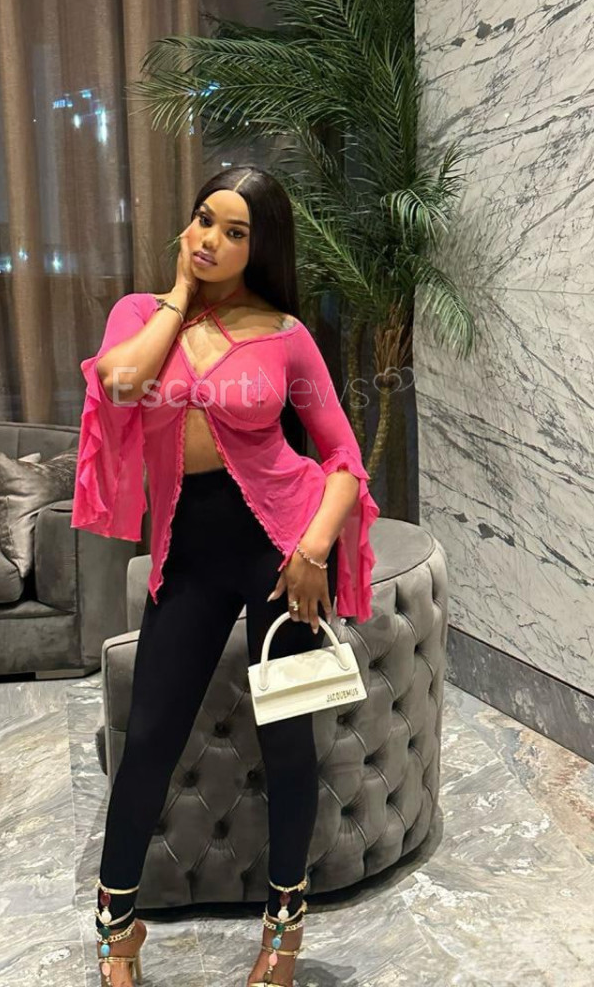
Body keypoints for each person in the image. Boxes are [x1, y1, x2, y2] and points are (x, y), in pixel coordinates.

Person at [71, 165, 379, 987]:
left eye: (234, 231)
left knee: (287, 742)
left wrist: (313, 551)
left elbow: (342, 458)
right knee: (149, 739)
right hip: (189, 555)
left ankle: (284, 930)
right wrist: (179, 294)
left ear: (259, 247)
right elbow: (120, 384)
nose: (211, 239)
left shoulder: (285, 335)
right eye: (205, 218)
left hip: (283, 552)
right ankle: (117, 927)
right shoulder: (141, 315)